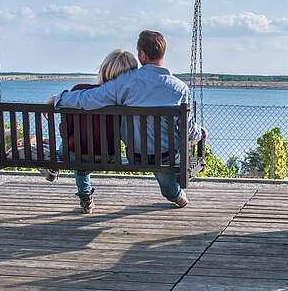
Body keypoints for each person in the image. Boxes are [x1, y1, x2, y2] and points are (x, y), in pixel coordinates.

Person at [53, 30, 205, 213]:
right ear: (163, 53)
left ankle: (176, 194)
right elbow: (188, 130)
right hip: (166, 155)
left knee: (153, 152)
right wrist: (202, 133)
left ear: (142, 55)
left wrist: (59, 99)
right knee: (168, 156)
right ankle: (176, 195)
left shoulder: (124, 83)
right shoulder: (180, 88)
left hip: (136, 154)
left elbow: (88, 99)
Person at [41, 49, 139, 213]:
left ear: (104, 69)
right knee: (83, 152)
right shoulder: (126, 101)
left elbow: (65, 132)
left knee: (75, 150)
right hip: (109, 156)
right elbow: (125, 134)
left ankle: (83, 195)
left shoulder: (79, 90)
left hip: (74, 153)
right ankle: (60, 171)